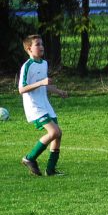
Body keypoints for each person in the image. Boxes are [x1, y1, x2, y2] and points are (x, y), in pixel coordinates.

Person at [18, 35, 69, 176]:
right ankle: (29, 158)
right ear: (29, 49)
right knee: (54, 132)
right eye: (37, 45)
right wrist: (41, 83)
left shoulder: (44, 63)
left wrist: (58, 91)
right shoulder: (27, 66)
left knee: (58, 135)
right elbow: (22, 89)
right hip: (34, 106)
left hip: (45, 104)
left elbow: (44, 85)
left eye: (42, 44)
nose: (41, 47)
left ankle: (51, 170)